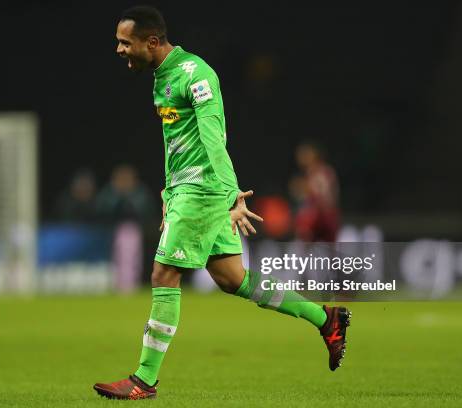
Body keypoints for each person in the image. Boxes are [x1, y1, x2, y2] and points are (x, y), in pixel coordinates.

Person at [93, 6, 351, 400]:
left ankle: (144, 380)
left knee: (164, 275)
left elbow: (214, 139)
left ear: (151, 41)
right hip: (186, 191)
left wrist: (232, 194)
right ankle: (326, 318)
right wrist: (168, 191)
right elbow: (176, 144)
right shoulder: (162, 77)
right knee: (234, 279)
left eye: (124, 42)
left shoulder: (196, 76)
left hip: (203, 192)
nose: (118, 49)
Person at [293, 143, 340, 242]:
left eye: (305, 154)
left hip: (322, 216)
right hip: (322, 216)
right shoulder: (313, 172)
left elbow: (322, 197)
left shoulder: (321, 172)